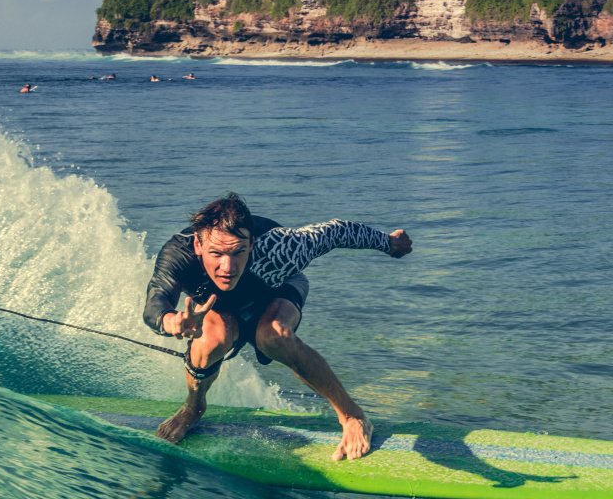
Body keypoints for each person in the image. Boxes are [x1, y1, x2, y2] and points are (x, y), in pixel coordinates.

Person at [144, 193, 412, 461]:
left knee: (275, 336)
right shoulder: (178, 255)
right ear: (198, 245)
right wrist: (174, 321)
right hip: (220, 305)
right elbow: (156, 302)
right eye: (216, 253)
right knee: (212, 338)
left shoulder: (281, 248)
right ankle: (193, 407)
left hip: (275, 288)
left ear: (251, 245)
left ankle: (353, 416)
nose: (227, 267)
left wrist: (387, 243)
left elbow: (337, 232)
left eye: (238, 252)